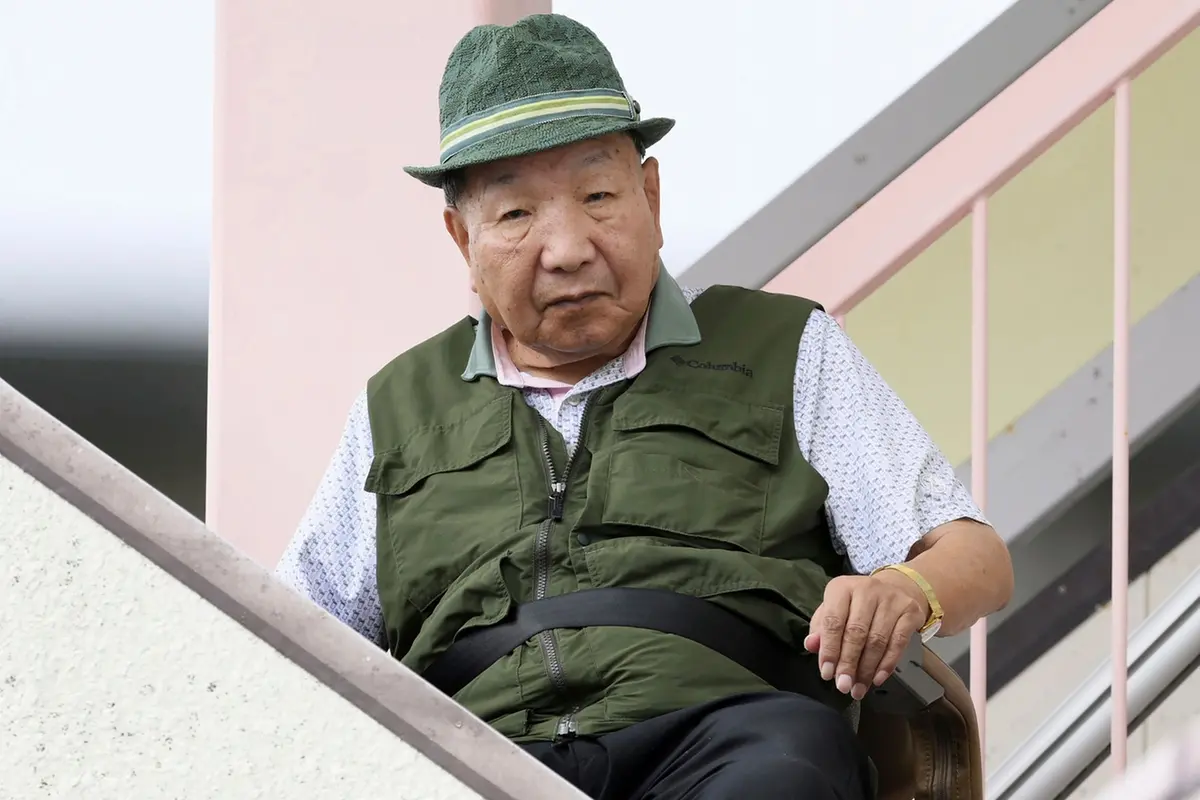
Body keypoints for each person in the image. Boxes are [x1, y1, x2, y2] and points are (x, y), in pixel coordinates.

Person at [276, 13, 1014, 800]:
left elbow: (976, 558)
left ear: (651, 197)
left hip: (725, 736)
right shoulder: (396, 405)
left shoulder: (784, 345)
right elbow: (285, 636)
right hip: (472, 756)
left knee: (788, 764)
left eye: (597, 195)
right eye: (516, 214)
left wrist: (905, 590)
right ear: (464, 239)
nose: (566, 248)